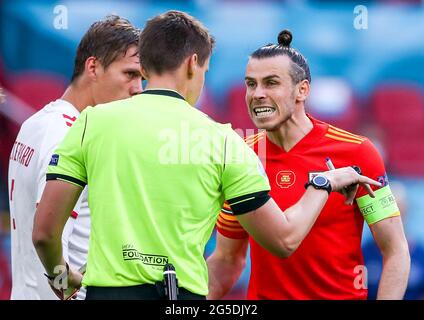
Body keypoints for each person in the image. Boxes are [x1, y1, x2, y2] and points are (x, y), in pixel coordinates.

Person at [32, 11, 380, 300]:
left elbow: (45, 234)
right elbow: (284, 240)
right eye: (206, 71)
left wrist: (61, 279)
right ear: (192, 63)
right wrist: (324, 181)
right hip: (180, 298)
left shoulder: (92, 122)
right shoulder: (224, 142)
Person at [207, 30, 411, 300]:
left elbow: (395, 251)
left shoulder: (358, 152)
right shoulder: (240, 155)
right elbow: (227, 259)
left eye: (270, 83)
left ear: (302, 90)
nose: (257, 94)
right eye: (251, 84)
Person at [8, 15, 142, 300]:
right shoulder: (70, 136)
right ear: (93, 67)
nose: (138, 88)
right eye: (130, 74)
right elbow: (46, 236)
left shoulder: (36, 123)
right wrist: (64, 286)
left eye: (142, 78)